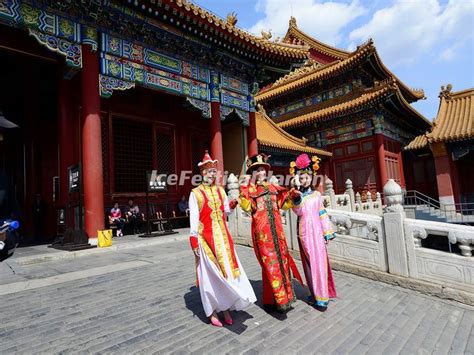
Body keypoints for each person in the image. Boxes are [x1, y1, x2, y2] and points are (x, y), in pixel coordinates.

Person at [189, 151, 256, 327]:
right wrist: (194, 241)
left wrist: (234, 203)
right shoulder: (195, 193)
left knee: (226, 273)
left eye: (214, 171)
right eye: (209, 171)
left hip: (224, 240)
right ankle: (211, 312)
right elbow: (194, 220)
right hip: (206, 241)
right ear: (202, 173)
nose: (212, 174)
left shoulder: (220, 191)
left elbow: (227, 211)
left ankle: (226, 308)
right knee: (210, 276)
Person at [239, 153, 302, 313]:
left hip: (278, 232)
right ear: (252, 173)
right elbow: (248, 208)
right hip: (263, 233)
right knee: (270, 265)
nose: (260, 173)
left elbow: (284, 204)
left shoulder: (273, 188)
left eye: (262, 170)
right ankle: (274, 300)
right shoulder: (250, 189)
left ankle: (284, 298)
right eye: (257, 170)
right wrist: (243, 194)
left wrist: (293, 196)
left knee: (282, 262)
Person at [289, 153, 337, 311]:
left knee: (319, 263)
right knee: (309, 264)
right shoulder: (299, 196)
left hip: (317, 235)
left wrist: (327, 232)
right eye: (301, 178)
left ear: (312, 177)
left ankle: (322, 296)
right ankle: (314, 293)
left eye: (307, 177)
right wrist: (296, 196)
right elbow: (298, 211)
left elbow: (322, 213)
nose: (305, 180)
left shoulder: (317, 195)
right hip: (304, 234)